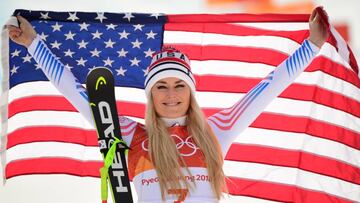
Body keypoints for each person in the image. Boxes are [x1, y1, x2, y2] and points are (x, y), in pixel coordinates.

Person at [7, 7, 329, 203]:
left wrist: (313, 44)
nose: (171, 94)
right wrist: (33, 44)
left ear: (191, 92)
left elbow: (269, 86)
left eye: (179, 86)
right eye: (161, 86)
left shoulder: (218, 130)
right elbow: (77, 92)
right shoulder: (132, 133)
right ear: (150, 95)